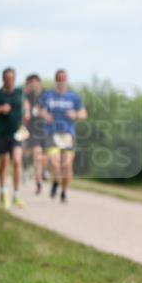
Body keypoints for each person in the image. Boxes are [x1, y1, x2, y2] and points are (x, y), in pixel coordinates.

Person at [41, 69, 87, 203]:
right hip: (52, 133)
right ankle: (55, 181)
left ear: (66, 80)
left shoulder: (74, 97)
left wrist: (76, 115)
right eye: (59, 79)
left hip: (68, 134)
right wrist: (44, 115)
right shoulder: (48, 96)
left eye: (63, 79)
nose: (61, 81)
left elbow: (84, 114)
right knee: (55, 164)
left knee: (67, 166)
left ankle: (64, 191)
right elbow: (38, 109)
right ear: (56, 80)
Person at [0, 67, 26, 208]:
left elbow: (26, 106)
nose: (10, 81)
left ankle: (16, 195)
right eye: (7, 79)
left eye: (12, 78)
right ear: (3, 79)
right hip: (2, 133)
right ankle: (2, 191)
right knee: (4, 162)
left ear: (15, 79)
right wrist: (0, 109)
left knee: (17, 161)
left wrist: (28, 112)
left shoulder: (19, 93)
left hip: (17, 133)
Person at [23, 73, 49, 194]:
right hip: (34, 130)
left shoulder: (46, 94)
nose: (33, 85)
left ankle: (43, 172)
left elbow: (47, 110)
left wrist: (41, 112)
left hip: (48, 129)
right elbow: (25, 108)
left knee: (47, 157)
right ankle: (38, 182)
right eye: (30, 83)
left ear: (39, 82)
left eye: (35, 82)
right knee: (37, 155)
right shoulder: (28, 96)